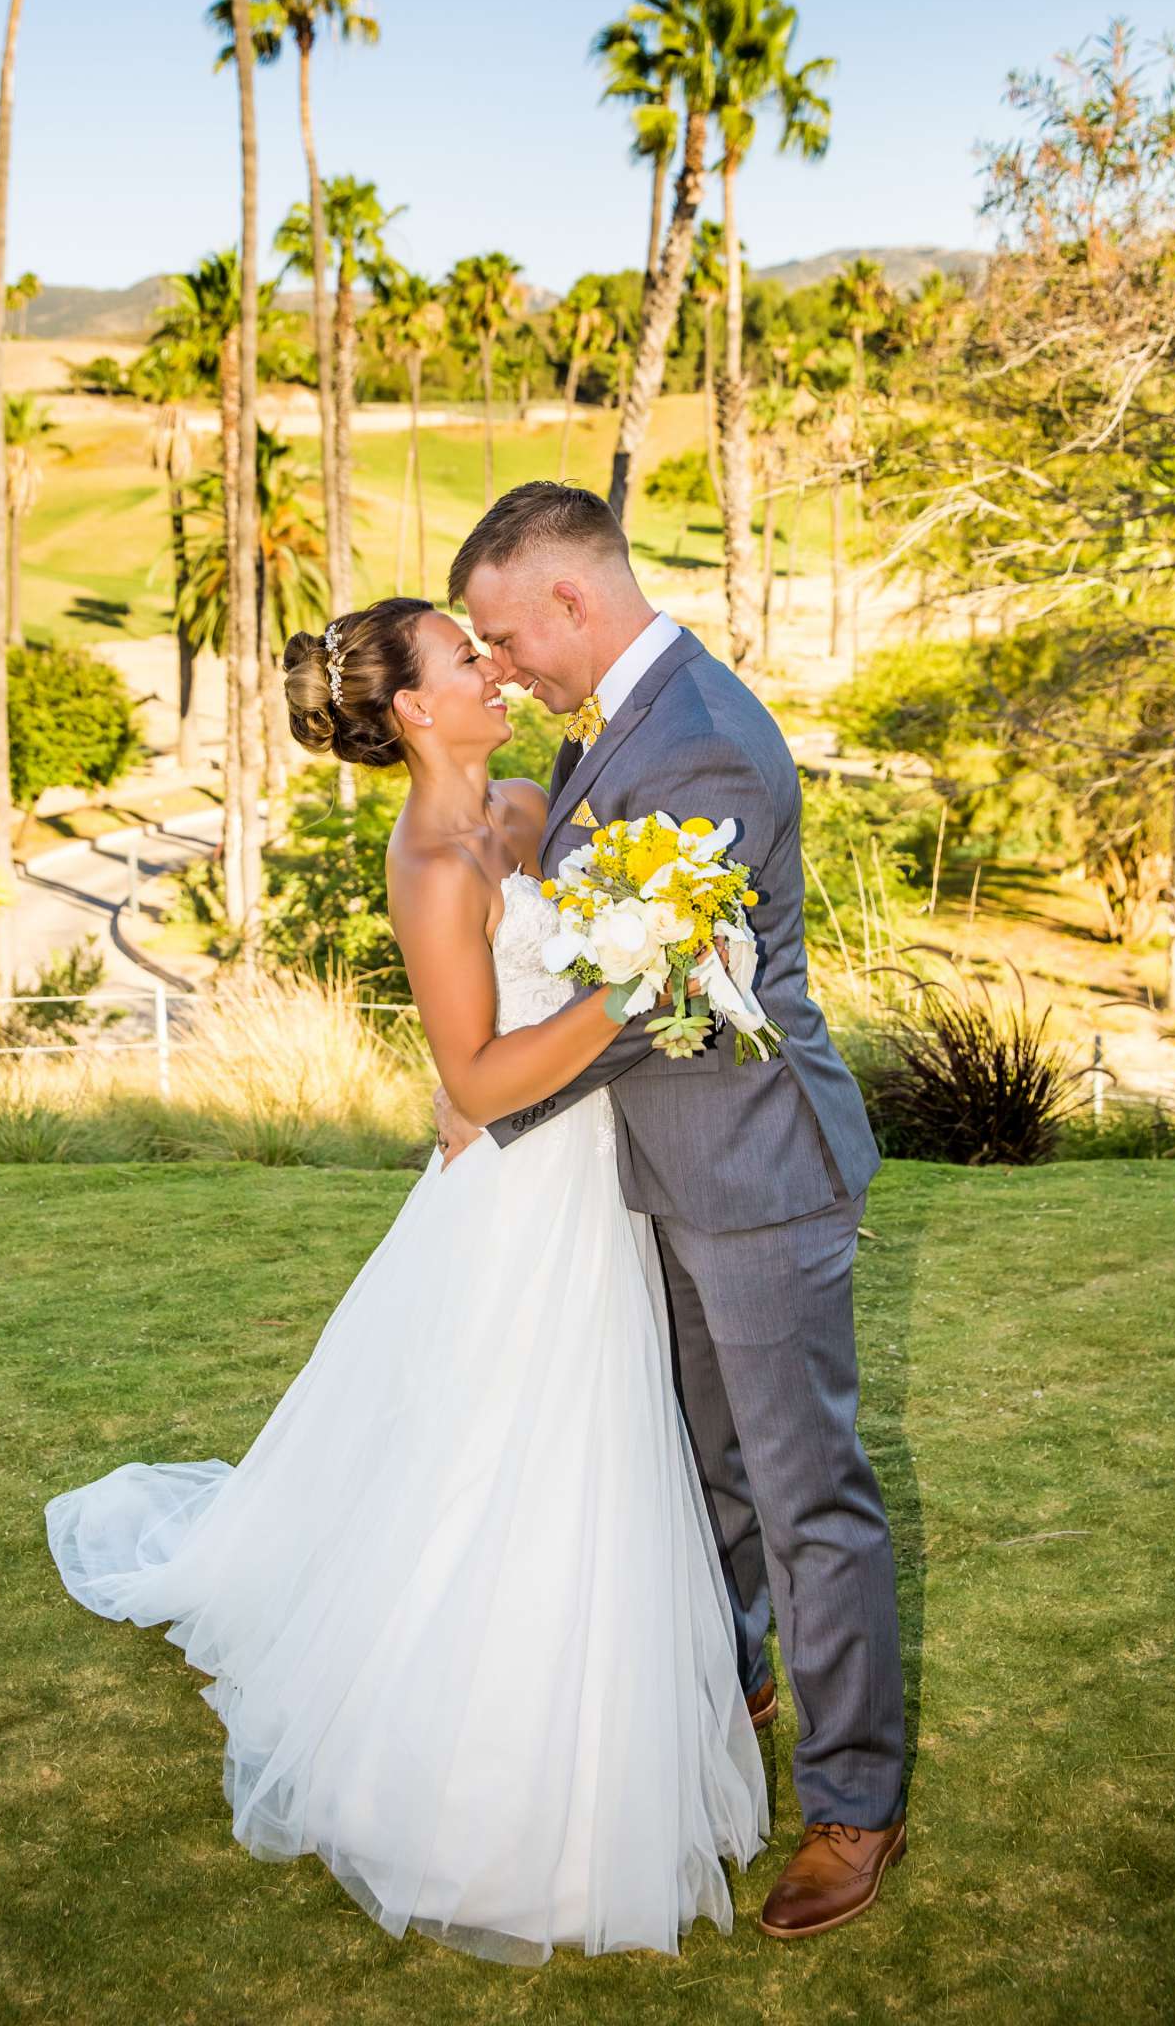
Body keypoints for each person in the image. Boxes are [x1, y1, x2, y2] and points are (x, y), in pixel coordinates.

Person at [44, 592, 767, 1965]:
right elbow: (477, 1081)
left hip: (591, 1174)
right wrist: (634, 986)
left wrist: (647, 934)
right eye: (463, 657)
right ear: (416, 710)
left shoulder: (521, 797)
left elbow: (573, 946)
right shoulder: (431, 859)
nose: (494, 667)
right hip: (521, 1201)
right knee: (517, 1461)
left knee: (601, 1451)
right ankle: (480, 1789)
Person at [443, 481, 906, 1941]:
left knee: (805, 1498)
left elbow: (658, 995)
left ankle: (854, 1802)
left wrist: (490, 1096)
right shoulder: (625, 721)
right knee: (705, 1469)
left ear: (573, 598)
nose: (504, 666)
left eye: (509, 635)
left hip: (755, 1174)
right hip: (664, 1173)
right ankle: (729, 1684)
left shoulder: (697, 740)